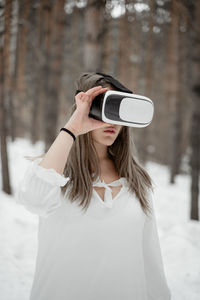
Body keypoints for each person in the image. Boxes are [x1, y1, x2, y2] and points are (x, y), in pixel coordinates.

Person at [16, 72, 171, 300]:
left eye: (118, 110)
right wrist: (73, 128)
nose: (112, 121)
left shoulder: (136, 181)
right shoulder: (55, 172)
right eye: (105, 107)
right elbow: (34, 198)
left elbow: (150, 259)